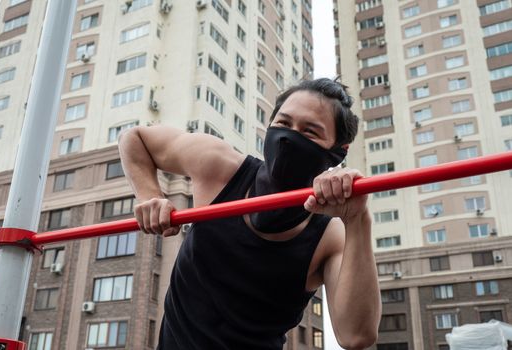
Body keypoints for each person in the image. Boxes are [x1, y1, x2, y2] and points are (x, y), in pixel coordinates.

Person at [118, 78, 381, 350]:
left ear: (338, 152)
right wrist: (150, 195)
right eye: (283, 124)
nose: (288, 137)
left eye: (309, 132)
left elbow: (356, 336)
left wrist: (358, 219)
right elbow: (135, 138)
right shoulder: (219, 167)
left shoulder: (330, 235)